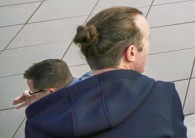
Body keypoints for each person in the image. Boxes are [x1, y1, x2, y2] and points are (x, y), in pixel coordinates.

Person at [25, 7, 186, 137]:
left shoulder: (41, 120)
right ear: (131, 52)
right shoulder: (162, 96)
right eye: (147, 39)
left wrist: (50, 100)